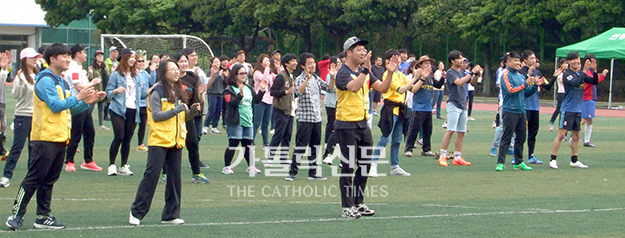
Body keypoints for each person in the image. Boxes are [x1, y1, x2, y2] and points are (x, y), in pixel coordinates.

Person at [6, 43, 103, 230]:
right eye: (64, 56)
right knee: (34, 177)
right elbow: (55, 105)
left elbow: (69, 108)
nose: (68, 59)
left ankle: (43, 215)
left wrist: (85, 102)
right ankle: (16, 214)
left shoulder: (60, 80)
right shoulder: (45, 80)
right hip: (44, 137)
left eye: (69, 56)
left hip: (59, 137)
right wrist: (79, 96)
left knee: (49, 179)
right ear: (52, 59)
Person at [129, 59, 200, 226]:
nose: (176, 72)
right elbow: (156, 116)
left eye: (177, 69)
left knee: (175, 178)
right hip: (160, 140)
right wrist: (177, 109)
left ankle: (171, 214)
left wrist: (192, 112)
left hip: (176, 140)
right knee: (151, 176)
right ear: (163, 72)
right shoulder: (157, 91)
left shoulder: (179, 91)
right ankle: (136, 212)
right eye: (172, 69)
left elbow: (182, 116)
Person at [335, 36, 393, 218]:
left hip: (362, 124)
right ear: (348, 53)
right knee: (348, 166)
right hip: (346, 124)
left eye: (363, 49)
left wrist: (390, 72)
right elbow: (353, 87)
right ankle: (347, 207)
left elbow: (383, 88)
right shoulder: (343, 73)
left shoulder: (364, 71)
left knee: (365, 164)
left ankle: (358, 203)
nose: (362, 52)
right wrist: (366, 70)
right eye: (358, 49)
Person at [549, 51, 606, 169]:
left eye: (578, 59)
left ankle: (574, 160)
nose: (576, 62)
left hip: (578, 109)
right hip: (567, 108)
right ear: (569, 62)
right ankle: (553, 159)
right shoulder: (567, 74)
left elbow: (594, 82)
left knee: (576, 135)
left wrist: (594, 71)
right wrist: (584, 71)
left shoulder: (582, 74)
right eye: (573, 60)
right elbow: (575, 82)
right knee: (561, 134)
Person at [285, 53, 334, 181]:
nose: (312, 65)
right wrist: (307, 79)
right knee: (301, 146)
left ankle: (313, 172)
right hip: (305, 119)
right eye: (309, 63)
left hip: (316, 118)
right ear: (303, 66)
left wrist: (332, 77)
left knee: (315, 147)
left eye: (313, 62)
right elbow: (298, 92)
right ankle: (293, 172)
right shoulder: (300, 79)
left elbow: (329, 89)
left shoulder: (317, 78)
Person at [370, 49, 419, 178]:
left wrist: (421, 79)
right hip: (390, 108)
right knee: (385, 138)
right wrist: (414, 78)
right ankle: (372, 165)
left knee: (397, 141)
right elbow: (402, 89)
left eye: (398, 57)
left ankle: (395, 166)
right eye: (394, 57)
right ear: (388, 61)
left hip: (400, 109)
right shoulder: (388, 75)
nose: (397, 59)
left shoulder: (400, 74)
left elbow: (412, 89)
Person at [495, 52, 541, 171]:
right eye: (514, 60)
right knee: (507, 137)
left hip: (521, 110)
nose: (517, 63)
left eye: (518, 60)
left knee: (521, 137)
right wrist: (526, 84)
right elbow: (511, 91)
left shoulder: (520, 76)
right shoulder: (505, 75)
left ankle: (519, 161)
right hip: (510, 110)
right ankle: (500, 162)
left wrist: (535, 85)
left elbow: (525, 93)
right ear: (508, 62)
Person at [0, 48, 39, 188]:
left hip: (36, 117)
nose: (35, 60)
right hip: (23, 116)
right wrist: (22, 82)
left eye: (36, 57)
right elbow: (16, 95)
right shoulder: (20, 76)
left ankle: (32, 177)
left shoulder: (38, 75)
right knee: (17, 147)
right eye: (32, 57)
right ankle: (6, 176)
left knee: (34, 148)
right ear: (24, 60)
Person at [63, 43, 104, 172]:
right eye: (84, 52)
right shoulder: (74, 68)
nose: (86, 55)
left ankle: (88, 160)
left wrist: (95, 93)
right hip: (77, 104)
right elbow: (78, 87)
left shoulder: (80, 68)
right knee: (76, 134)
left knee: (90, 133)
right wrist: (93, 83)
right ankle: (69, 161)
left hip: (85, 105)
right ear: (78, 54)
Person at [106, 48, 146, 176]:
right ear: (124, 58)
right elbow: (108, 93)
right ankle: (112, 165)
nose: (133, 60)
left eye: (135, 57)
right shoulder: (115, 75)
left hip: (133, 110)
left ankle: (123, 165)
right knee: (119, 136)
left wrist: (155, 87)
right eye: (131, 57)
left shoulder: (137, 77)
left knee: (127, 139)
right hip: (118, 109)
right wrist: (116, 91)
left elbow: (142, 95)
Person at [438, 50, 482, 167]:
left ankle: (457, 157)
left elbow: (472, 83)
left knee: (461, 132)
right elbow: (460, 83)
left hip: (463, 105)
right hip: (454, 104)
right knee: (451, 130)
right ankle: (443, 155)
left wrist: (476, 74)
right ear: (452, 61)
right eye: (459, 58)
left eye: (462, 58)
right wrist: (471, 73)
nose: (461, 60)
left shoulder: (462, 72)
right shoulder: (451, 73)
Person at [170, 52, 209, 183]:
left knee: (192, 143)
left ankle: (196, 173)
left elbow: (198, 99)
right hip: (173, 116)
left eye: (185, 61)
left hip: (187, 117)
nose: (184, 64)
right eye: (181, 61)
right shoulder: (170, 79)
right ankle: (165, 172)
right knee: (172, 145)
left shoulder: (192, 78)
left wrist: (200, 95)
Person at [221, 64, 266, 175]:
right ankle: (227, 167)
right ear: (235, 75)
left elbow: (256, 100)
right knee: (234, 142)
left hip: (248, 120)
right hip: (235, 120)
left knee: (248, 144)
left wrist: (261, 91)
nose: (244, 76)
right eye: (241, 73)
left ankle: (251, 166)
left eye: (245, 73)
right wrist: (240, 94)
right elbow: (231, 103)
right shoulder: (229, 89)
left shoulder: (249, 88)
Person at [404, 55, 443, 158]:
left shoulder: (430, 76)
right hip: (418, 107)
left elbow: (437, 85)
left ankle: (426, 149)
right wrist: (422, 78)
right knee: (414, 129)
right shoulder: (417, 75)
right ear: (420, 65)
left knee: (428, 130)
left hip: (428, 108)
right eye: (426, 63)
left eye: (429, 63)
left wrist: (443, 78)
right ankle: (409, 148)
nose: (428, 65)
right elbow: (414, 90)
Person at [518, 50, 552, 164]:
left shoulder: (537, 72)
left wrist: (555, 77)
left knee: (533, 132)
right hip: (524, 106)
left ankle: (531, 155)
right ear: (525, 60)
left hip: (535, 107)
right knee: (521, 132)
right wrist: (528, 75)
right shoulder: (520, 72)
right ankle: (517, 156)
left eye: (535, 58)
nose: (534, 60)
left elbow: (546, 86)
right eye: (531, 58)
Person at [266, 53, 298, 165]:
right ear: (286, 63)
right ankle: (270, 157)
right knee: (279, 134)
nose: (295, 63)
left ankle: (283, 158)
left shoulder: (291, 76)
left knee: (287, 136)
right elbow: (273, 91)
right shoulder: (281, 76)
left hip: (289, 111)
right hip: (280, 110)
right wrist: (286, 92)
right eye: (292, 61)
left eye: (296, 61)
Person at [580, 54, 607, 147]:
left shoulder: (589, 72)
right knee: (584, 119)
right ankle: (574, 136)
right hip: (588, 97)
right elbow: (593, 82)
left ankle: (586, 140)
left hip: (590, 97)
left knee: (589, 119)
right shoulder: (587, 72)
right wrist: (602, 76)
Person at [181, 47, 206, 140]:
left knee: (197, 137)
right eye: (192, 55)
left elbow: (205, 88)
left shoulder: (199, 71)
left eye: (196, 55)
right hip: (186, 109)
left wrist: (213, 75)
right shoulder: (180, 74)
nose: (195, 57)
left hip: (199, 105)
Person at [135, 54, 157, 152]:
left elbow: (152, 81)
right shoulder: (133, 74)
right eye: (139, 61)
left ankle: (140, 143)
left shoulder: (144, 73)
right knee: (132, 124)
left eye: (142, 61)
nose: (141, 63)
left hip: (144, 103)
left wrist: (153, 70)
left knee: (143, 125)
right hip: (135, 103)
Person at [252, 54, 274, 147]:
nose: (267, 62)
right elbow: (264, 80)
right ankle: (251, 140)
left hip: (269, 100)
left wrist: (279, 68)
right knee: (257, 122)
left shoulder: (270, 73)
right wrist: (267, 68)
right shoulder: (257, 73)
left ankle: (265, 142)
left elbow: (277, 78)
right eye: (265, 60)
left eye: (268, 60)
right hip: (260, 99)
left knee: (266, 123)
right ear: (260, 63)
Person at [205, 57, 227, 135]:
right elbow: (210, 83)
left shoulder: (222, 72)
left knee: (218, 111)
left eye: (218, 62)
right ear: (212, 64)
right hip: (212, 93)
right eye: (215, 62)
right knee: (212, 110)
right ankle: (205, 126)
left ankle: (214, 127)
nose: (217, 64)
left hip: (220, 94)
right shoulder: (210, 72)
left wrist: (226, 76)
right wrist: (218, 75)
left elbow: (224, 83)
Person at [89, 50, 110, 130]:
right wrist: (90, 74)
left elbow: (108, 76)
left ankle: (101, 125)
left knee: (101, 109)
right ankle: (88, 124)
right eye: (98, 56)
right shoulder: (92, 68)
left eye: (101, 56)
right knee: (90, 109)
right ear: (95, 57)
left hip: (103, 90)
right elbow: (90, 79)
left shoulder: (104, 67)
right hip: (95, 91)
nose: (100, 57)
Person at [548, 59, 568, 132]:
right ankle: (551, 123)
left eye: (567, 64)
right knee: (559, 109)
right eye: (564, 64)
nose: (566, 65)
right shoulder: (560, 73)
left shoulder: (568, 73)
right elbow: (562, 81)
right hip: (561, 93)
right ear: (561, 64)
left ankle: (563, 127)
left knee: (565, 111)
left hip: (567, 93)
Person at [0, 50, 12, 160]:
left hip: (1, 100)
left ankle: (1, 148)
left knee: (2, 125)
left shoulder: (2, 66)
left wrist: (7, 66)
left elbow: (9, 78)